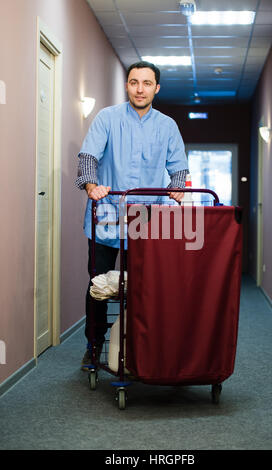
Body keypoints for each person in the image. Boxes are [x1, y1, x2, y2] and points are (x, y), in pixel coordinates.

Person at [76, 61, 189, 370]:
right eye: (134, 82)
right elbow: (88, 156)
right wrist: (91, 185)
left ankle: (142, 343)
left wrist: (177, 187)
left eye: (147, 83)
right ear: (126, 86)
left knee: (146, 286)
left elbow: (178, 168)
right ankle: (94, 344)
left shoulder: (167, 126)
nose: (140, 89)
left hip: (146, 221)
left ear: (156, 88)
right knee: (98, 285)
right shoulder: (107, 119)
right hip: (106, 217)